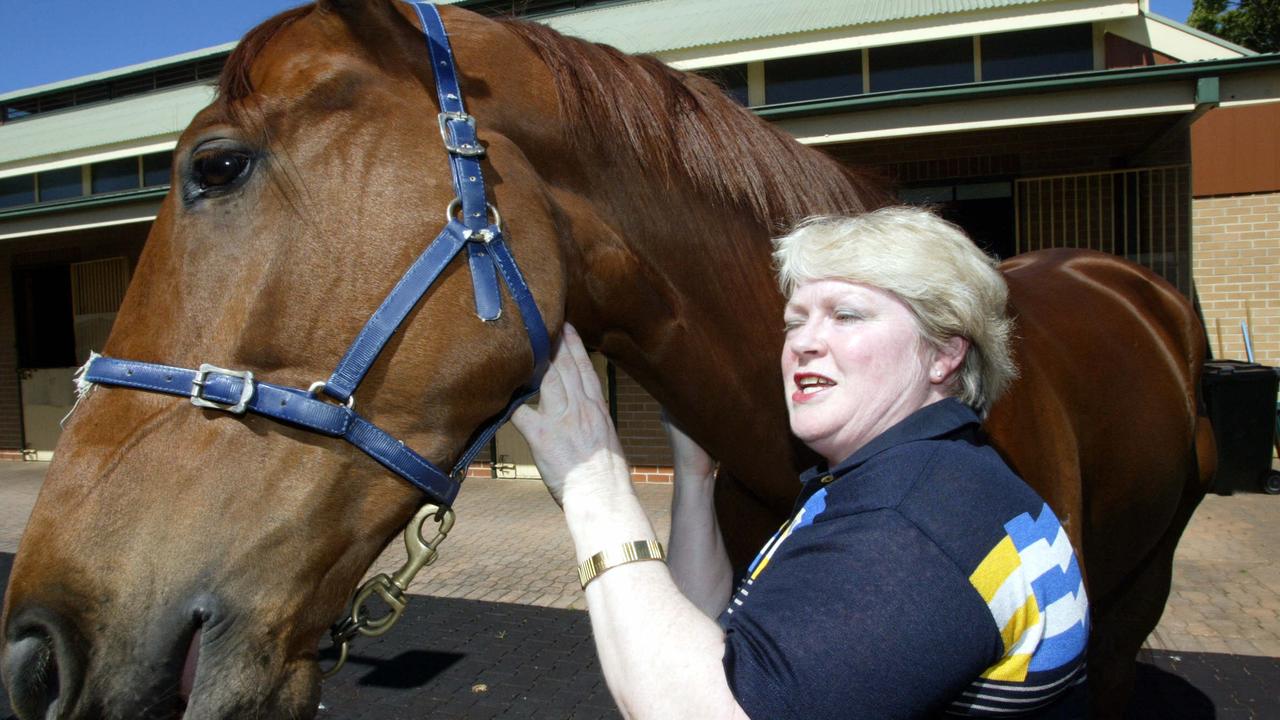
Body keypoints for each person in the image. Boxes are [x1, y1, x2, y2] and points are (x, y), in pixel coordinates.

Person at [511, 206, 1089, 719]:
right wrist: (694, 477)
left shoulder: (904, 529)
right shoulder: (933, 474)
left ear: (943, 353)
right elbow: (715, 638)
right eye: (796, 320)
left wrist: (596, 487)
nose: (802, 343)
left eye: (846, 315)